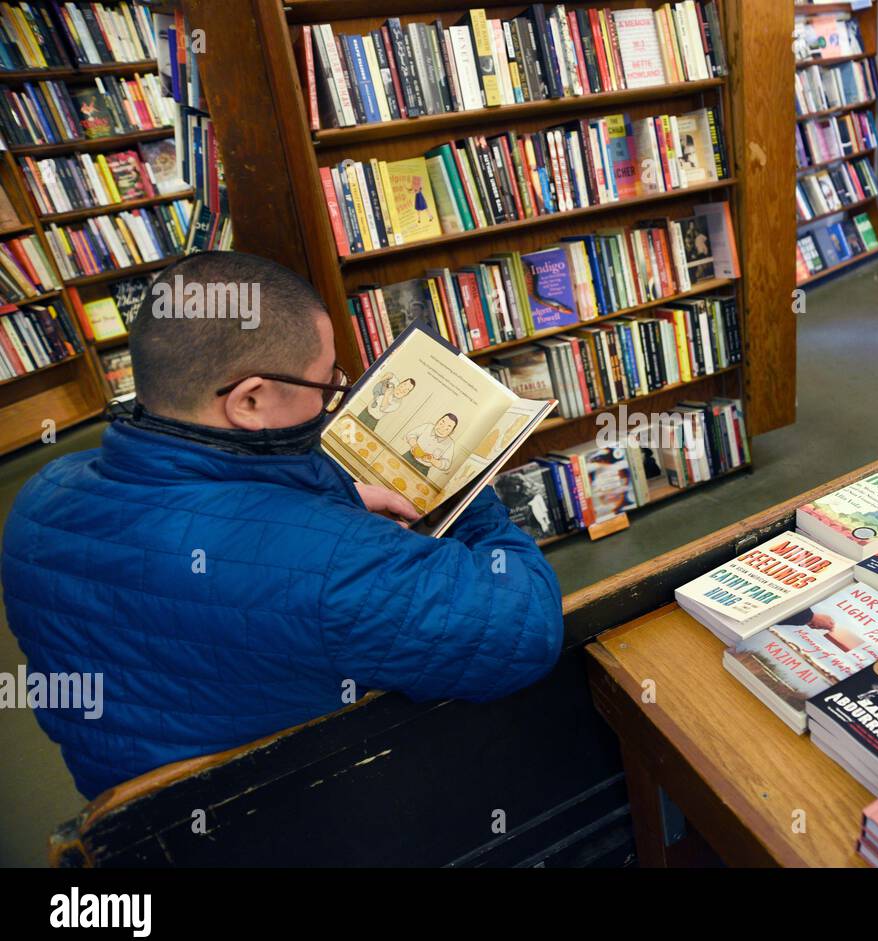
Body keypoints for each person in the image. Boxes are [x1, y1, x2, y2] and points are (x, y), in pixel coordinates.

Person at [1, 252, 564, 799]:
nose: (327, 406)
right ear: (249, 401)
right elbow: (526, 631)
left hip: (136, 823)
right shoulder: (337, 564)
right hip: (303, 817)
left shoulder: (41, 495)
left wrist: (332, 497)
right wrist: (471, 488)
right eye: (325, 386)